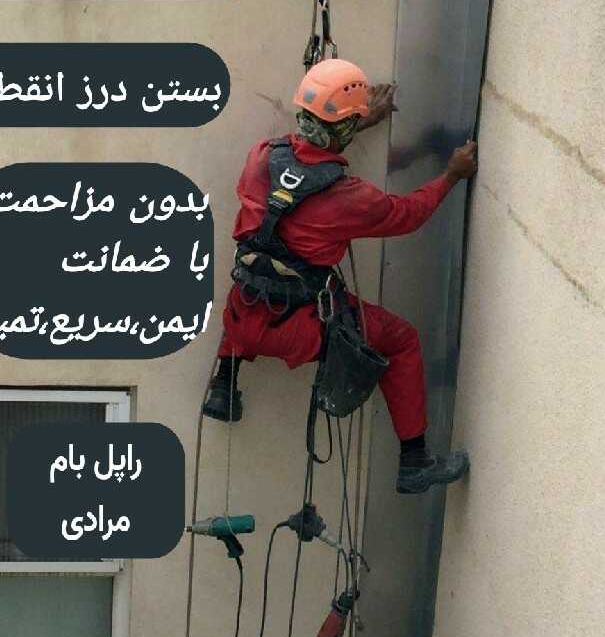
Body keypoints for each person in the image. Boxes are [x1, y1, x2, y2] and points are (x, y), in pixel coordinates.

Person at [203, 59, 478, 494]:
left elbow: (301, 167)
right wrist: (451, 175)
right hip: (299, 329)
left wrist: (354, 122)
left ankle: (225, 382)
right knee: (401, 339)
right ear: (347, 127)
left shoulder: (262, 157)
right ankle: (414, 460)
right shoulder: (350, 198)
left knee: (256, 273)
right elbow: (408, 214)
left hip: (242, 318)